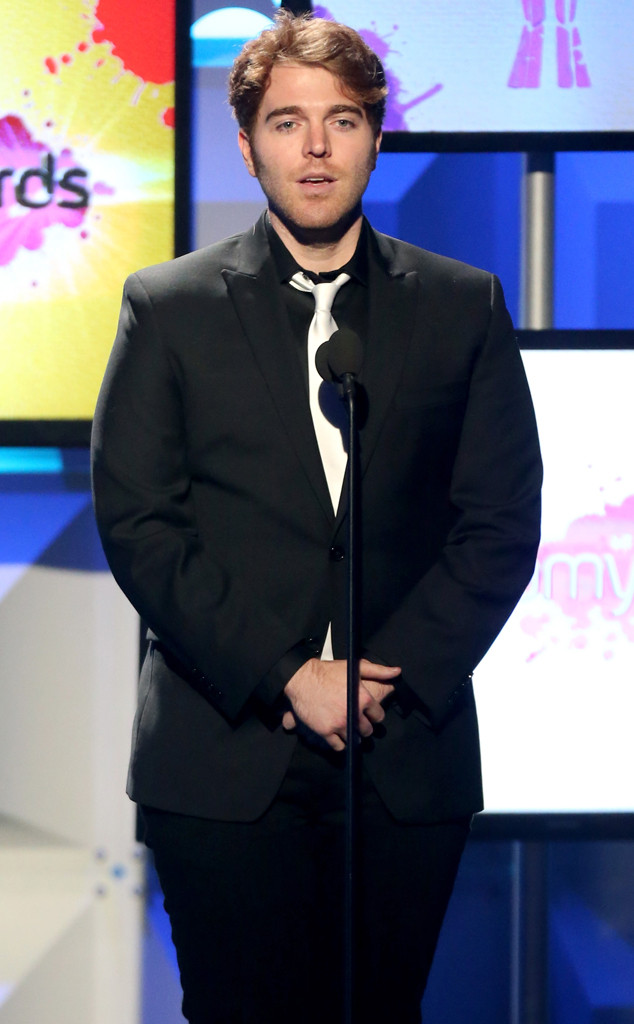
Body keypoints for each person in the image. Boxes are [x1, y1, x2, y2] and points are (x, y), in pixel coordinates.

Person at [91, 12, 542, 1024]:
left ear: (376, 138)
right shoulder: (168, 306)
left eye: (342, 120)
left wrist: (381, 677)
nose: (316, 147)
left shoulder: (461, 305)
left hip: (401, 753)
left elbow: (500, 521)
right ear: (248, 144)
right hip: (223, 753)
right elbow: (140, 523)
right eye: (287, 122)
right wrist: (289, 673)